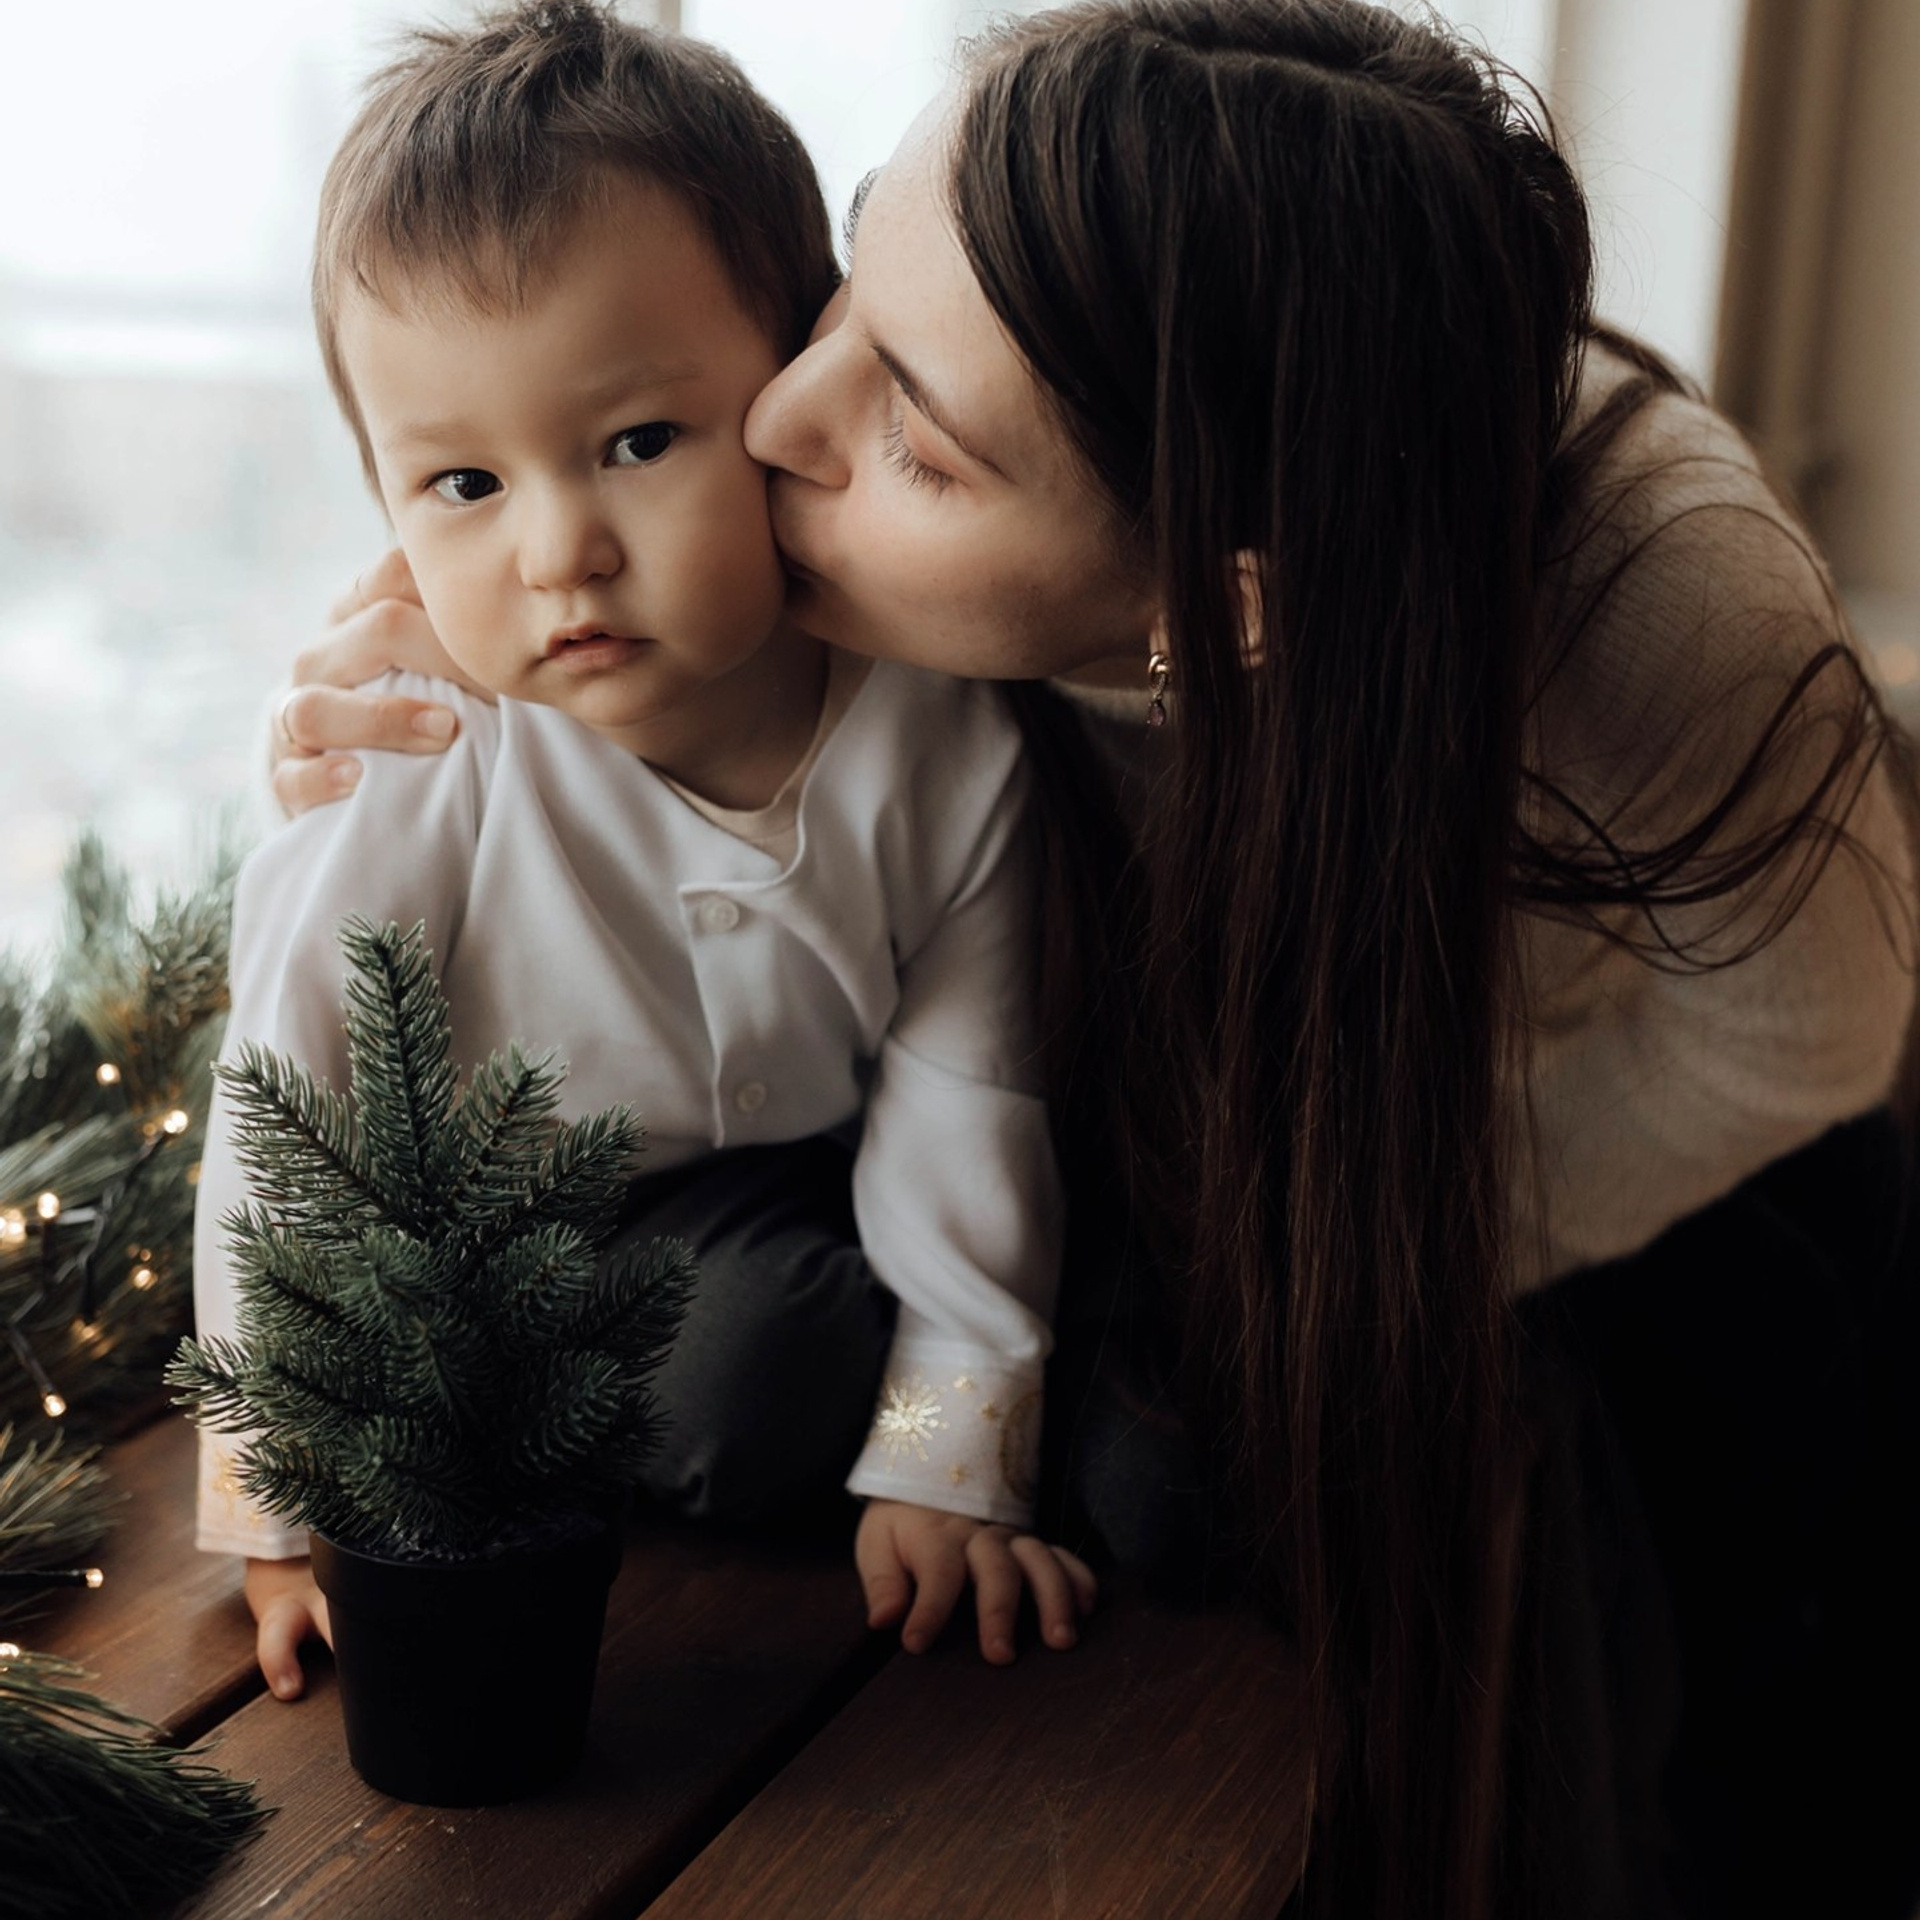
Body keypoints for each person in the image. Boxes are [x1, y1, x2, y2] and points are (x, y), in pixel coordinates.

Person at [265, 2, 1919, 1915]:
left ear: (1217, 613)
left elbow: (1799, 1036)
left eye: (918, 435)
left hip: (1524, 1171)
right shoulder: (920, 403)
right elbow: (526, 420)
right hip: (1084, 1119)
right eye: (854, 282)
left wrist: (1367, 1213)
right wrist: (364, 721)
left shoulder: (1662, 612)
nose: (779, 418)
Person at [195, 0, 1098, 1710]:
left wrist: (940, 1457)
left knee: (1008, 1357)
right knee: (761, 1363)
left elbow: (972, 1101)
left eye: (636, 443)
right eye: (460, 481)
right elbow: (282, 1122)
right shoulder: (420, 747)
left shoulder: (943, 738)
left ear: (792, 387)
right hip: (507, 1249)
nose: (557, 552)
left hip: (817, 1166)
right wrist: (283, 1495)